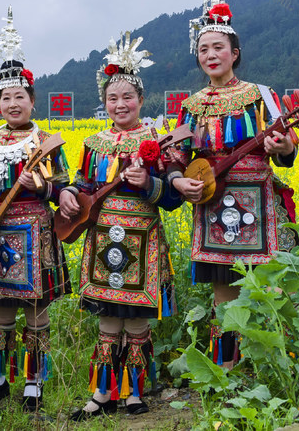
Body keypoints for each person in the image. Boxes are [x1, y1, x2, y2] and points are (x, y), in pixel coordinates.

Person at [168, 0, 299, 370]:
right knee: (223, 289)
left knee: (268, 285)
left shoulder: (261, 95)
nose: (211, 55)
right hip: (214, 202)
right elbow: (175, 159)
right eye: (203, 49)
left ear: (234, 53)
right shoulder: (189, 107)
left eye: (218, 47)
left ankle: (274, 365)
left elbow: (290, 148)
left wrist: (281, 146)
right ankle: (227, 368)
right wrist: (178, 181)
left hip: (259, 198)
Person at [0, 8, 77, 411]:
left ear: (31, 100)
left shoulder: (46, 140)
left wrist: (40, 185)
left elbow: (62, 187)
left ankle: (34, 381)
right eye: (5, 98)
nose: (12, 103)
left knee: (35, 310)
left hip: (34, 230)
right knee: (1, 309)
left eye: (19, 97)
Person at [70, 32, 183, 420]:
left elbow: (173, 197)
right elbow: (83, 185)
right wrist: (69, 193)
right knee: (107, 318)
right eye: (112, 98)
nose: (120, 104)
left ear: (140, 99)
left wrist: (149, 184)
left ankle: (134, 391)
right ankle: (102, 393)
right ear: (104, 103)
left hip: (144, 238)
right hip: (103, 236)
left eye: (127, 97)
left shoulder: (157, 138)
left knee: (136, 320)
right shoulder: (93, 143)